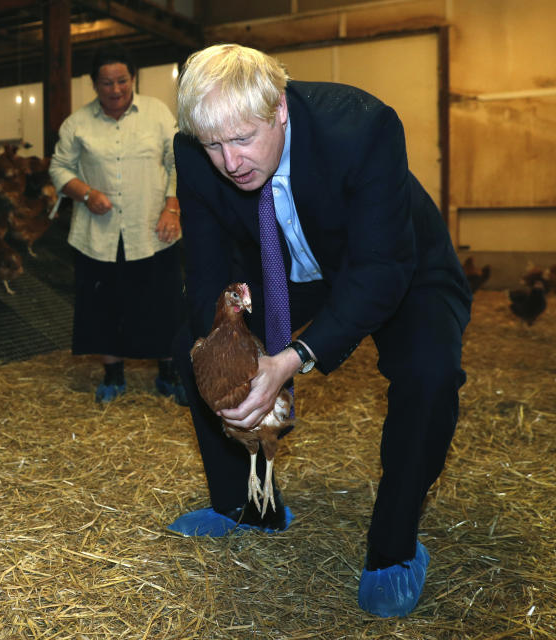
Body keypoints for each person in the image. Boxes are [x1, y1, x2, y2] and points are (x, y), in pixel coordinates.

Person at [167, 43, 472, 618]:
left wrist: (292, 358)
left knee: (428, 374)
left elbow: (382, 269)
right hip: (281, 262)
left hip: (393, 258)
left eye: (243, 139)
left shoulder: (362, 126)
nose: (230, 162)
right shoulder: (192, 148)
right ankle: (247, 506)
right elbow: (205, 263)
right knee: (192, 346)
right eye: (214, 145)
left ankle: (394, 547)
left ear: (279, 107)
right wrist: (220, 337)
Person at [49, 43, 187, 405]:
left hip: (153, 230)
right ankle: (113, 376)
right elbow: (59, 168)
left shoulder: (157, 114)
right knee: (103, 306)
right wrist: (85, 193)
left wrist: (172, 207)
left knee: (163, 303)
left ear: (133, 78)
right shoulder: (77, 124)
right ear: (94, 84)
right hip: (99, 234)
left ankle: (168, 374)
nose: (115, 90)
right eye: (106, 83)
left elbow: (179, 163)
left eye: (121, 81)